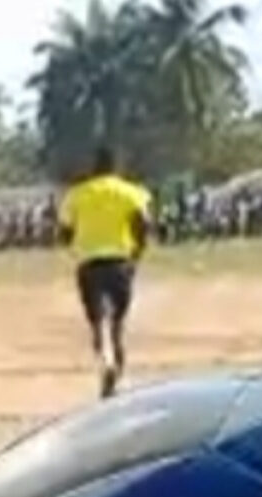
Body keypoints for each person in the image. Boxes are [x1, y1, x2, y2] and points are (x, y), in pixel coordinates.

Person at [57, 144, 154, 398]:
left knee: (98, 321)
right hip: (120, 262)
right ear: (116, 167)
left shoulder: (78, 194)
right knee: (118, 323)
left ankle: (105, 361)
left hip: (90, 263)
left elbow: (65, 231)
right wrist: (137, 253)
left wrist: (76, 247)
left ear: (93, 167)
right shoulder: (131, 192)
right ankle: (117, 375)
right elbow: (144, 224)